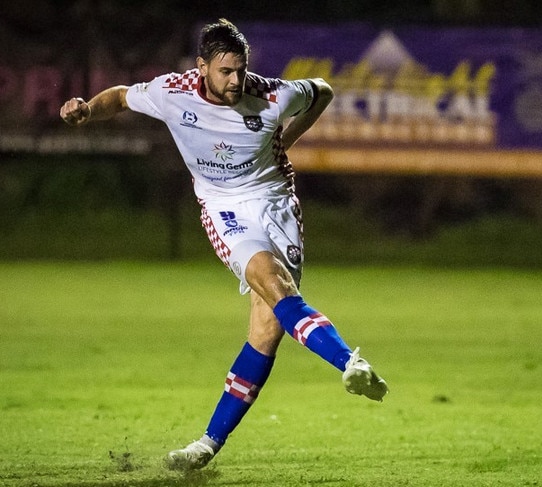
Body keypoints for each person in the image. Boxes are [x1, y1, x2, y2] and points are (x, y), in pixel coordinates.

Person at [60, 18, 388, 471]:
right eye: (225, 71)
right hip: (225, 209)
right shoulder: (172, 92)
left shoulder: (271, 95)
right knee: (273, 285)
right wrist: (85, 110)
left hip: (277, 205)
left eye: (241, 70)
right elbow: (119, 97)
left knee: (266, 331)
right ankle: (349, 362)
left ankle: (207, 445)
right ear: (202, 68)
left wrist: (287, 138)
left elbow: (323, 90)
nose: (236, 81)